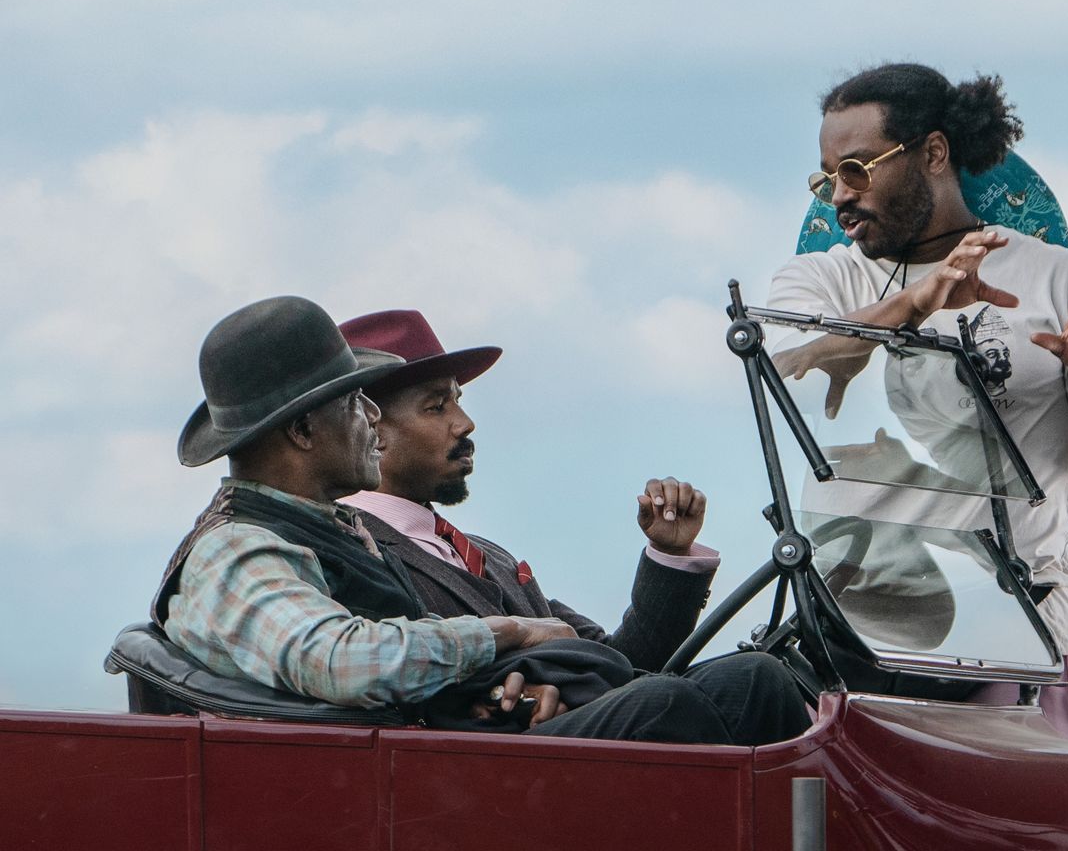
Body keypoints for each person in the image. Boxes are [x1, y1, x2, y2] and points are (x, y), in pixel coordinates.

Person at [154, 296, 808, 746]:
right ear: (302, 429)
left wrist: (510, 688)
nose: (370, 421)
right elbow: (340, 663)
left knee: (750, 678)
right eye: (357, 404)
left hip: (444, 752)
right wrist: (507, 635)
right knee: (669, 706)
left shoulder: (333, 532)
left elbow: (599, 659)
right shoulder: (238, 549)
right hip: (403, 786)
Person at [767, 62, 1068, 740]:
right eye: (827, 176)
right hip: (856, 641)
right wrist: (916, 301)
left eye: (858, 170)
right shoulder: (821, 278)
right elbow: (786, 371)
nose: (838, 195)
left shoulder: (1060, 281)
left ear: (933, 153)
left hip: (1020, 643)